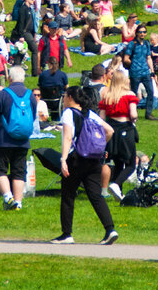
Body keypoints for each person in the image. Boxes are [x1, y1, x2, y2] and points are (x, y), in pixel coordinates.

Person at [50, 85, 117, 246]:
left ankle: (67, 234)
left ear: (71, 98)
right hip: (93, 159)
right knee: (96, 195)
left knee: (68, 196)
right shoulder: (90, 113)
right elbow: (109, 131)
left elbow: (67, 137)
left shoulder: (68, 113)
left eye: (65, 95)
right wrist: (99, 146)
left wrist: (63, 159)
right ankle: (110, 229)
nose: (64, 98)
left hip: (76, 159)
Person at [0, 66, 39, 210]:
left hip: (4, 139)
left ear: (9, 78)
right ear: (23, 78)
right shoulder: (30, 95)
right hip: (23, 140)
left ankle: (7, 197)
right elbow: (33, 115)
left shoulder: (4, 94)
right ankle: (18, 203)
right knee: (19, 171)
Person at [98, 66, 138, 202]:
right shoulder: (130, 95)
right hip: (125, 130)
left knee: (118, 162)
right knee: (131, 164)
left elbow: (101, 118)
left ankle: (119, 193)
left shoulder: (107, 96)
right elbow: (133, 114)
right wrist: (135, 118)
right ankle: (115, 184)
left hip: (111, 132)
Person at [121, 26, 157, 120]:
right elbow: (126, 58)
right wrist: (132, 65)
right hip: (135, 73)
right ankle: (132, 113)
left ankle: (148, 113)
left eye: (144, 32)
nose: (142, 34)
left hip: (145, 72)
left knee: (150, 92)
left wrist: (152, 71)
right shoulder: (132, 44)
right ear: (136, 33)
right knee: (133, 94)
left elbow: (149, 58)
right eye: (140, 32)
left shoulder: (146, 43)